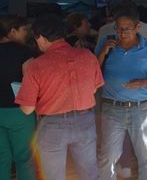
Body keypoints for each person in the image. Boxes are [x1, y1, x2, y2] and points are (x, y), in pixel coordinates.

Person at [15, 14, 104, 180]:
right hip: (85, 120)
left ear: (42, 37)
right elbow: (93, 90)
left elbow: (27, 109)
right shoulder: (87, 56)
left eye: (36, 39)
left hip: (52, 126)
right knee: (91, 174)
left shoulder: (37, 65)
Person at [96, 4, 147, 180]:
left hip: (141, 109)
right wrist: (102, 53)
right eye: (119, 28)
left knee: (146, 158)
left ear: (137, 27)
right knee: (107, 157)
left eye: (127, 29)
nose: (123, 33)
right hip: (112, 109)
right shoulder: (107, 44)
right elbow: (92, 73)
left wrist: (144, 82)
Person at [0, 14, 35, 180]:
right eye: (23, 29)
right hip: (19, 112)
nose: (26, 33)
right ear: (12, 31)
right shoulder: (23, 51)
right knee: (24, 158)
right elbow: (30, 83)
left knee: (2, 157)